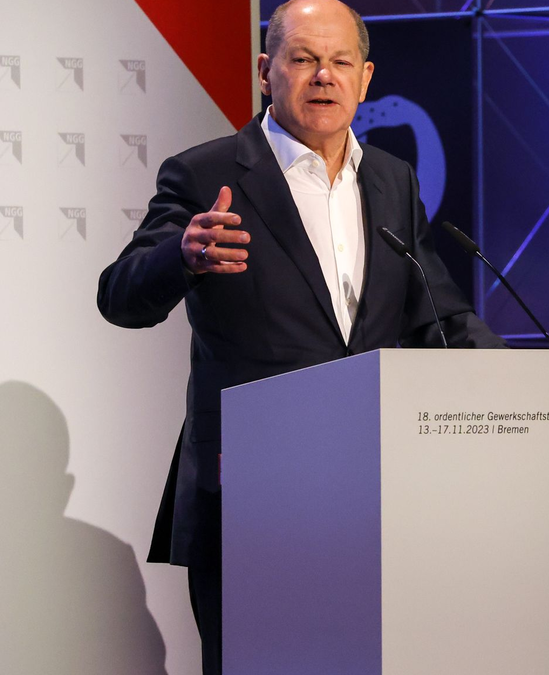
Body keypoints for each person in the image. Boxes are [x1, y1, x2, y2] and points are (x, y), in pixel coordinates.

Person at [96, 1, 504, 672]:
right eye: (304, 59)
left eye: (340, 61)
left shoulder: (391, 180)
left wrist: (525, 386)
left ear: (365, 78)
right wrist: (183, 255)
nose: (324, 77)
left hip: (368, 495)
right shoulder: (206, 174)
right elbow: (120, 297)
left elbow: (437, 316)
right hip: (250, 500)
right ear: (266, 70)